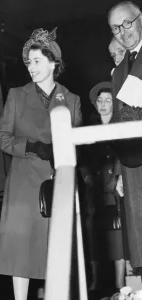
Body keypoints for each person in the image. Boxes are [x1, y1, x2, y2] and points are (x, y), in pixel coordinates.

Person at [0, 27, 82, 300]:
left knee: (54, 249)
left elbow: (77, 142)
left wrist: (60, 149)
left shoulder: (71, 100)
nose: (31, 68)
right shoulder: (17, 96)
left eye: (37, 62)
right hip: (22, 185)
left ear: (53, 62)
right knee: (22, 251)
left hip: (56, 184)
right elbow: (1, 137)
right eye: (29, 62)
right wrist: (29, 146)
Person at [108, 1, 142, 271]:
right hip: (133, 165)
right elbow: (120, 123)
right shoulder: (118, 72)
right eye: (115, 28)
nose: (122, 31)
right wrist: (119, 171)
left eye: (127, 23)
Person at [85, 82, 126, 293]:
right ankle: (96, 281)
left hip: (115, 188)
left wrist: (116, 175)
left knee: (117, 228)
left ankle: (120, 282)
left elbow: (124, 154)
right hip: (94, 188)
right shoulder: (89, 130)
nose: (103, 104)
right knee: (92, 229)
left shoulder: (121, 125)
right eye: (100, 101)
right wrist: (86, 175)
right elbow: (82, 158)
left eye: (108, 100)